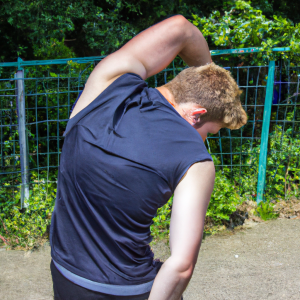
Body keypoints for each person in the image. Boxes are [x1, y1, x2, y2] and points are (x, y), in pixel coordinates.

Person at [50, 15, 247, 300]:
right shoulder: (196, 162)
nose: (205, 141)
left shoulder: (105, 87)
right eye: (211, 132)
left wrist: (210, 74)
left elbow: (180, 27)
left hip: (66, 275)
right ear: (196, 114)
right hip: (128, 290)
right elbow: (180, 267)